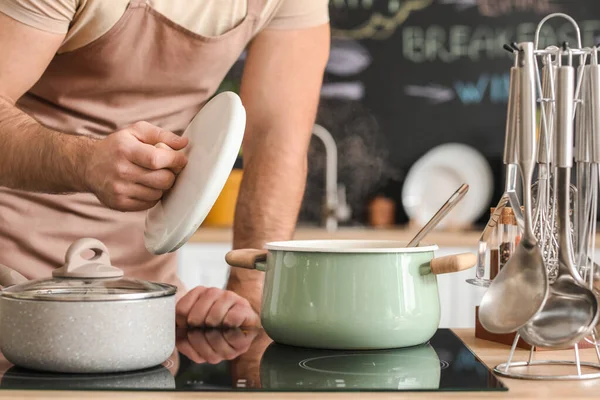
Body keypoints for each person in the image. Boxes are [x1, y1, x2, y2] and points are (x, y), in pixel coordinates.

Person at [0, 0, 330, 328]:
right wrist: (84, 163)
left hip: (145, 293)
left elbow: (276, 141)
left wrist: (249, 293)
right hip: (11, 274)